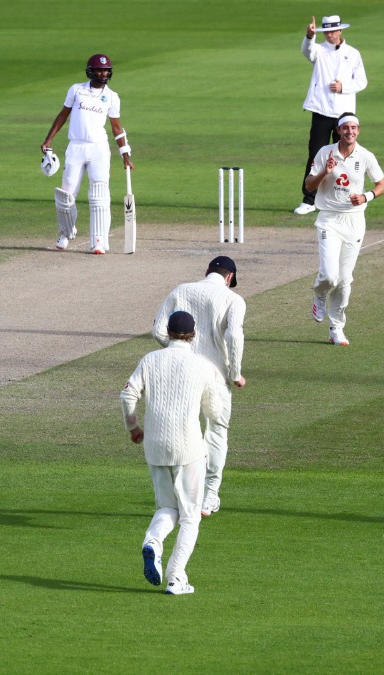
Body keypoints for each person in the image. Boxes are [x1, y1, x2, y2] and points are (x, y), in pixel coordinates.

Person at [122, 310, 229, 596]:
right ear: (193, 335)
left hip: (155, 445)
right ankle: (175, 577)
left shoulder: (150, 360)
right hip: (189, 447)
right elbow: (214, 412)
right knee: (190, 516)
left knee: (166, 507)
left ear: (168, 333)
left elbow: (128, 394)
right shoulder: (202, 366)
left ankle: (153, 543)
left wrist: (133, 427)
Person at [151, 256, 245, 517]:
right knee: (216, 432)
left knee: (182, 430)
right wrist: (235, 373)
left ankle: (182, 495)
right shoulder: (234, 300)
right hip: (215, 376)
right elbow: (234, 335)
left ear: (207, 272)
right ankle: (209, 494)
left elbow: (158, 331)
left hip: (183, 374)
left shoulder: (181, 291)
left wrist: (178, 352)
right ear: (229, 278)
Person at [304, 113, 384, 346]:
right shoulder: (324, 153)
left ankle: (336, 328)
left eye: (354, 128)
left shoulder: (366, 156)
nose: (350, 132)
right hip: (329, 219)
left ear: (358, 130)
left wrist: (366, 196)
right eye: (345, 128)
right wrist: (324, 172)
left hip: (354, 222)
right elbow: (309, 185)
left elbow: (382, 184)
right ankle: (319, 294)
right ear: (338, 131)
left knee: (344, 279)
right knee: (330, 275)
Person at [41, 53, 133, 254]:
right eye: (99, 70)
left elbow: (117, 128)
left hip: (98, 148)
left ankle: (99, 240)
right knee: (66, 195)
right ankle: (66, 232)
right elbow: (63, 115)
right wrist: (49, 139)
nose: (103, 73)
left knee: (99, 193)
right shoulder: (76, 90)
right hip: (75, 147)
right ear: (91, 71)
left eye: (106, 70)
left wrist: (125, 154)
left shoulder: (112, 97)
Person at [294, 16, 367, 215]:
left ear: (341, 31)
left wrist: (343, 87)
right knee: (315, 154)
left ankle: (345, 197)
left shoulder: (352, 53)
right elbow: (307, 51)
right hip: (321, 110)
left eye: (333, 31)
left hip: (344, 114)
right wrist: (309, 36)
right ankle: (309, 200)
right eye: (326, 32)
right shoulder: (319, 49)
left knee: (345, 155)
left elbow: (362, 81)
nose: (330, 35)